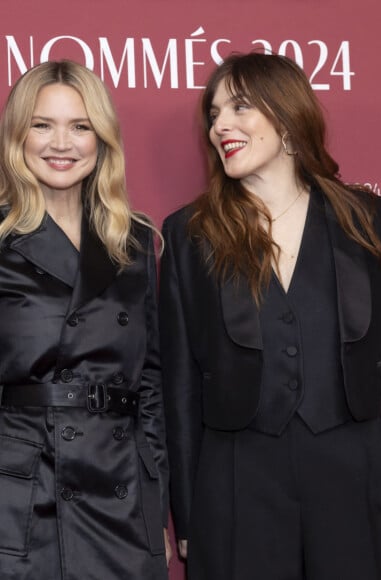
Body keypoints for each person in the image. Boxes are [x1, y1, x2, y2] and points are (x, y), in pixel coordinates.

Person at [160, 52, 381, 580]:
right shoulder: (188, 234)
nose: (221, 126)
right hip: (236, 484)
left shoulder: (368, 219)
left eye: (239, 107)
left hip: (357, 477)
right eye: (213, 114)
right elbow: (180, 382)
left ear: (285, 116)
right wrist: (190, 511)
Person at [0, 60, 171, 580]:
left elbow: (151, 383)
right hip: (20, 494)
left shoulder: (135, 241)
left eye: (80, 126)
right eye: (42, 124)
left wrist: (154, 497)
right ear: (18, 135)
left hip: (120, 497)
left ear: (102, 139)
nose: (62, 143)